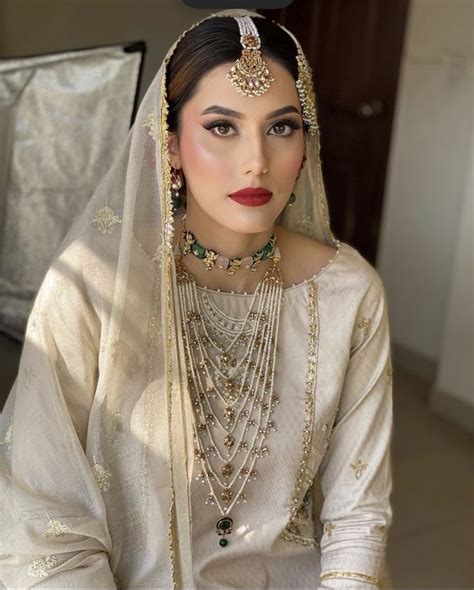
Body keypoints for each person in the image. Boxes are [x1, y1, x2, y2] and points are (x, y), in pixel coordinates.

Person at [0, 9, 394, 589]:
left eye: (281, 127)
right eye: (221, 127)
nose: (256, 159)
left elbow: (357, 515)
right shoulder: (92, 290)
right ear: (172, 146)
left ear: (305, 146)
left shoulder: (348, 294)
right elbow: (40, 518)